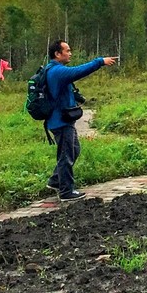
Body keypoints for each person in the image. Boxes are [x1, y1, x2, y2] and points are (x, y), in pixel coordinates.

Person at [44, 40, 118, 199]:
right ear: (57, 54)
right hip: (61, 122)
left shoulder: (54, 70)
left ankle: (56, 180)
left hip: (62, 120)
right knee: (66, 156)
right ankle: (66, 192)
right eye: (67, 50)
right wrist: (99, 62)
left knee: (74, 150)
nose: (70, 53)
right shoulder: (57, 71)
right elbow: (78, 72)